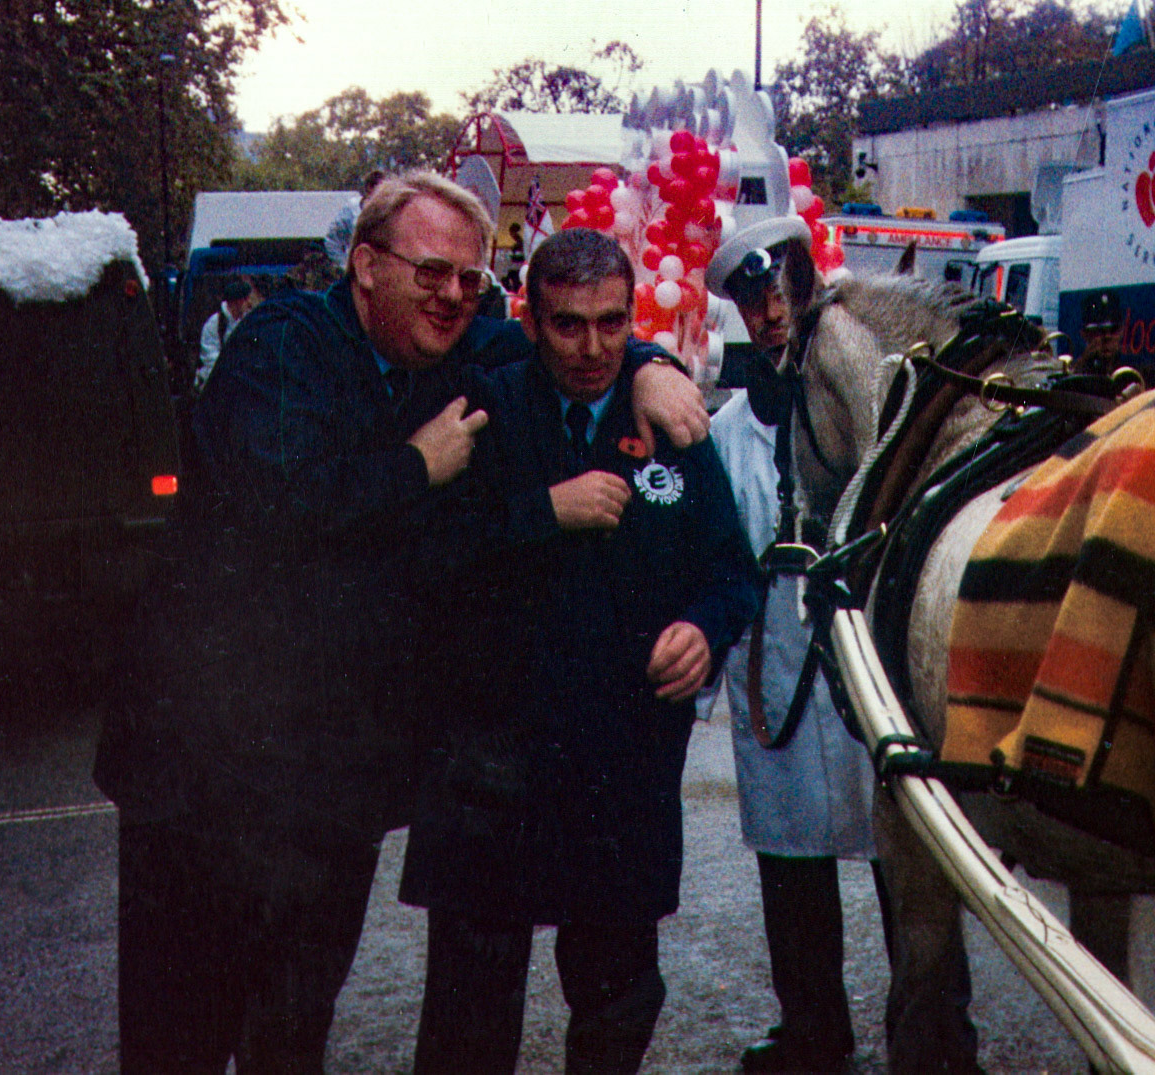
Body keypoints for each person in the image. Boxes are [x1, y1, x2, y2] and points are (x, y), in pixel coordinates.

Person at [93, 173, 708, 1075]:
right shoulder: (280, 345)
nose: (454, 294)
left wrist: (653, 362)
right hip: (203, 775)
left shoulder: (457, 352)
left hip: (325, 783)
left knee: (292, 1029)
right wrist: (416, 465)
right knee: (178, 1035)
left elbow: (575, 336)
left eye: (470, 278)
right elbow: (276, 509)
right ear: (367, 265)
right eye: (432, 271)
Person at [397, 228, 760, 1075]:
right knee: (469, 1015)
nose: (592, 347)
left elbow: (732, 572)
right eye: (567, 325)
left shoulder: (668, 418)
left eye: (611, 324)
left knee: (617, 1003)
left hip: (619, 763)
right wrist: (539, 512)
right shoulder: (480, 407)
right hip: (493, 764)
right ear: (529, 319)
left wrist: (707, 627)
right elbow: (423, 557)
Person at [703, 217, 887, 1074]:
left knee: (902, 843)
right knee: (789, 857)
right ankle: (813, 1026)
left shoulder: (868, 393)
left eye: (783, 292)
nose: (772, 313)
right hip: (774, 647)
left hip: (860, 636)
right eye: (754, 299)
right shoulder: (727, 429)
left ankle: (933, 1020)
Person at [194, 275, 260, 392]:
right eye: (245, 300)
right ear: (236, 302)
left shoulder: (247, 322)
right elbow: (210, 359)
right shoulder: (214, 324)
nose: (249, 304)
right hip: (216, 382)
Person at [1076, 290, 1124, 375]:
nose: (1107, 337)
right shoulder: (1077, 372)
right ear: (1085, 334)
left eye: (1113, 330)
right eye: (1099, 331)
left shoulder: (1134, 368)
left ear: (1121, 332)